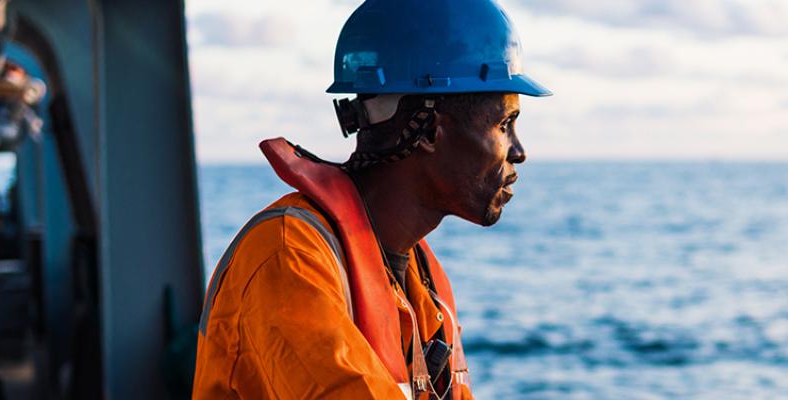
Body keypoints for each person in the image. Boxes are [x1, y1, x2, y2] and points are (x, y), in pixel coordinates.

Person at [192, 0, 550, 398]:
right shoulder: (289, 256)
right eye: (504, 124)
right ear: (430, 132)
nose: (518, 151)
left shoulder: (425, 280)